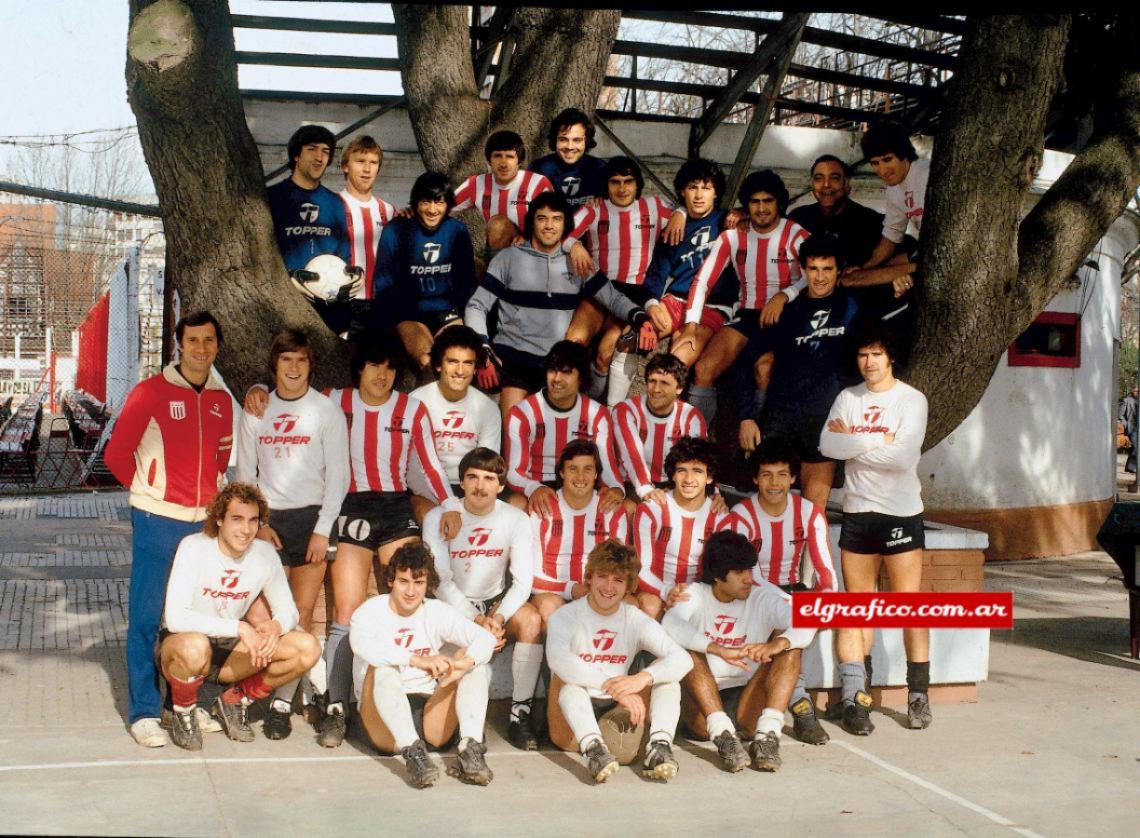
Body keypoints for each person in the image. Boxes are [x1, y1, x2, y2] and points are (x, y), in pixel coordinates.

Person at [316, 340, 458, 748]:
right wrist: (259, 394)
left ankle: (417, 694)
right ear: (358, 369)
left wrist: (448, 504)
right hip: (352, 506)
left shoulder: (410, 409)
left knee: (413, 595)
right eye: (374, 365)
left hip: (395, 506)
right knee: (345, 609)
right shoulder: (333, 400)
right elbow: (291, 400)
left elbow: (429, 462)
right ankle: (336, 707)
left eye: (390, 368)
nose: (382, 375)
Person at [104, 311, 234, 748]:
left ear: (217, 346)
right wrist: (150, 490)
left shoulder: (221, 397)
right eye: (193, 340)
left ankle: (180, 702)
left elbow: (221, 456)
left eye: (209, 341)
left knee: (187, 619)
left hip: (202, 524)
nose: (201, 349)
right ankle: (143, 710)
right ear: (179, 345)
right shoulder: (151, 392)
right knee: (146, 616)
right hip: (157, 519)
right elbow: (117, 455)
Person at [234, 329, 349, 739]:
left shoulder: (325, 411)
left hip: (312, 520)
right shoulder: (256, 408)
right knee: (270, 618)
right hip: (269, 524)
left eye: (301, 360)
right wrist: (259, 523)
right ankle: (294, 691)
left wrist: (322, 530)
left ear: (310, 364)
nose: (294, 368)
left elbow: (338, 476)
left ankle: (281, 705)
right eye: (286, 360)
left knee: (300, 615)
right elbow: (246, 473)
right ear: (274, 365)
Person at [819, 323, 931, 734]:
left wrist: (857, 442)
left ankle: (918, 695)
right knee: (857, 608)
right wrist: (878, 440)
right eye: (863, 354)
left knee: (909, 606)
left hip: (901, 513)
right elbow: (828, 446)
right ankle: (857, 698)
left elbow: (904, 457)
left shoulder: (911, 399)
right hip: (859, 513)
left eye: (877, 355)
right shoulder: (848, 398)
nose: (869, 362)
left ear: (892, 357)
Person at [465, 191, 653, 422]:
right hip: (514, 359)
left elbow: (613, 298)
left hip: (556, 363)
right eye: (542, 218)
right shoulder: (508, 258)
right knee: (514, 433)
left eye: (556, 219)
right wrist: (483, 348)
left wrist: (641, 319)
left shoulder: (577, 263)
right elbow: (476, 306)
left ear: (566, 225)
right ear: (532, 223)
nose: (549, 226)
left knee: (556, 435)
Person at [159, 483, 321, 750]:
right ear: (219, 518)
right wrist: (240, 628)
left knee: (306, 648)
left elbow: (289, 610)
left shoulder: (265, 554)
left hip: (229, 649)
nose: (245, 529)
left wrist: (274, 626)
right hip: (184, 646)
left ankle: (235, 700)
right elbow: (176, 618)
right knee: (194, 645)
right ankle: (181, 711)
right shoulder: (194, 547)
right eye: (236, 519)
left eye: (253, 521)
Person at [663, 530, 816, 772]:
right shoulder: (695, 594)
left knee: (791, 647)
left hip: (747, 699)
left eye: (749, 570)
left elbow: (807, 620)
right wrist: (717, 649)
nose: (747, 578)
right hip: (703, 704)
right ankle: (723, 735)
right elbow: (670, 623)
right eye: (738, 572)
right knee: (686, 651)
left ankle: (767, 736)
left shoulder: (762, 596)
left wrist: (778, 643)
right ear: (717, 575)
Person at [422, 448, 544, 750]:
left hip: (494, 605)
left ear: (501, 486)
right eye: (472, 477)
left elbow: (523, 581)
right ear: (461, 483)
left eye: (489, 478)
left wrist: (498, 617)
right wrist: (476, 621)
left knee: (530, 620)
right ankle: (461, 724)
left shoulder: (515, 518)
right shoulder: (438, 517)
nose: (480, 485)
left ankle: (520, 715)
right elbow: (439, 582)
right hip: (452, 607)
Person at [349, 542, 497, 787]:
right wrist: (417, 659)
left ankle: (470, 749)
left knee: (474, 662)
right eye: (403, 581)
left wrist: (463, 664)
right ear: (390, 581)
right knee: (383, 667)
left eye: (418, 583)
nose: (411, 591)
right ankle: (413, 755)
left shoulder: (436, 611)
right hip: (382, 718)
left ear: (427, 585)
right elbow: (363, 646)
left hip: (428, 712)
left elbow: (485, 639)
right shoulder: (370, 611)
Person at [546, 540, 693, 782]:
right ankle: (593, 750)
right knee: (568, 679)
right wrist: (612, 687)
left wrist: (643, 678)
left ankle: (659, 746)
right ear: (589, 578)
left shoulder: (634, 618)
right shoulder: (566, 616)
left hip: (614, 710)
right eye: (602, 576)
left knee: (666, 675)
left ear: (628, 587)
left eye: (618, 580)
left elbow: (683, 659)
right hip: (570, 718)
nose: (608, 587)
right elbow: (558, 659)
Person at [722, 438, 835, 745]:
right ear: (756, 478)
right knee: (788, 622)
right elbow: (751, 578)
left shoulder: (810, 513)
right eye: (767, 475)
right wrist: (795, 609)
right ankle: (802, 710)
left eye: (782, 474)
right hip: (753, 595)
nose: (775, 483)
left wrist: (818, 602)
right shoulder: (741, 517)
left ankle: (804, 706)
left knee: (820, 613)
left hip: (793, 592)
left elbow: (826, 572)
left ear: (793, 478)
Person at [737, 235, 861, 512]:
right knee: (768, 508)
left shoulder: (853, 309)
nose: (819, 277)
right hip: (781, 417)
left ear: (839, 269)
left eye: (827, 269)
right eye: (813, 269)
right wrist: (747, 416)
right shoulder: (787, 311)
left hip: (824, 419)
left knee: (814, 513)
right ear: (803, 270)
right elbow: (747, 363)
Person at [680, 170, 809, 426]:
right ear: (746, 205)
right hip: (747, 315)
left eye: (768, 201)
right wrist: (691, 327)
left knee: (764, 370)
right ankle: (697, 442)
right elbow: (702, 281)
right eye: (755, 202)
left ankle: (759, 441)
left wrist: (785, 295)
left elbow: (814, 275)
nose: (761, 209)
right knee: (704, 369)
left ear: (779, 203)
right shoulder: (732, 237)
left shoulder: (795, 233)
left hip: (787, 315)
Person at [562, 156, 686, 403]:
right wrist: (574, 244)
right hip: (599, 289)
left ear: (637, 184)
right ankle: (569, 404)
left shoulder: (654, 206)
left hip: (634, 293)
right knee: (572, 344)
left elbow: (688, 211)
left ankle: (593, 405)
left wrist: (680, 212)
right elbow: (563, 233)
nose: (621, 188)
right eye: (615, 182)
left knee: (605, 352)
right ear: (606, 185)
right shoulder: (594, 209)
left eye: (628, 182)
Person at [788, 154, 915, 326]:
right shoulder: (799, 218)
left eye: (834, 178)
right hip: (807, 308)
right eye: (819, 178)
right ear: (812, 185)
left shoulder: (870, 221)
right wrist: (742, 215)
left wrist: (893, 273)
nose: (826, 185)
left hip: (857, 315)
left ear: (847, 185)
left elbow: (913, 253)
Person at [504, 340, 625, 516]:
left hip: (581, 485)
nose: (557, 379)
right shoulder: (522, 413)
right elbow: (514, 471)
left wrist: (616, 489)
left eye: (566, 372)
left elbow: (607, 467)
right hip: (539, 484)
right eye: (553, 370)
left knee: (621, 506)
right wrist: (534, 488)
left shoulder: (597, 414)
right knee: (515, 504)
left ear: (581, 377)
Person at [373, 173, 476, 376]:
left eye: (439, 202)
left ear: (447, 205)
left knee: (456, 360)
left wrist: (462, 314)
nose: (432, 209)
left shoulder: (457, 231)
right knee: (427, 360)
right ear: (415, 203)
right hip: (409, 313)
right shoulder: (396, 230)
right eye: (425, 202)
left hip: (445, 309)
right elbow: (384, 283)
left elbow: (466, 281)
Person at [643, 158, 741, 366]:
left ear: (716, 193)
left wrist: (743, 214)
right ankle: (615, 400)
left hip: (712, 304)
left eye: (706, 188)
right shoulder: (674, 227)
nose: (698, 195)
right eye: (692, 188)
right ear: (682, 192)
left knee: (679, 359)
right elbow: (657, 273)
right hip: (676, 301)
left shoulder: (729, 222)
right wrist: (651, 305)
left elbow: (768, 216)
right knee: (632, 338)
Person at [265, 124, 354, 332]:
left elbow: (344, 255)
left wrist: (349, 276)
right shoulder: (273, 198)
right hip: (285, 303)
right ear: (296, 155)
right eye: (312, 149)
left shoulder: (335, 203)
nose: (319, 157)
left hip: (327, 305)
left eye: (325, 151)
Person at [530, 440, 630, 624]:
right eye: (573, 469)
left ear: (597, 474)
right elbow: (531, 576)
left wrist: (595, 591)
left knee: (629, 606)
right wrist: (572, 589)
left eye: (588, 469)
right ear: (561, 472)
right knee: (549, 607)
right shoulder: (542, 508)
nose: (581, 477)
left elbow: (620, 569)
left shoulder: (612, 510)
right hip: (555, 592)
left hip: (600, 592)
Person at [408, 326, 502, 521]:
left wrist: (464, 502)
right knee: (428, 514)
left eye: (467, 363)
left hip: (469, 487)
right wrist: (445, 500)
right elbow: (412, 468)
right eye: (452, 362)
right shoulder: (415, 402)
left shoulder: (487, 408)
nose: (460, 371)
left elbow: (485, 466)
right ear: (439, 365)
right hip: (425, 487)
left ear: (476, 368)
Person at [633, 437, 728, 620]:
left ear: (709, 477)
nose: (689, 479)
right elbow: (640, 569)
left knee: (796, 630)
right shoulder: (652, 509)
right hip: (658, 591)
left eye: (697, 471)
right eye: (682, 470)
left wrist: (695, 593)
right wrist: (669, 592)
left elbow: (737, 574)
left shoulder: (724, 517)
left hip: (794, 592)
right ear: (673, 475)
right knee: (651, 607)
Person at [612, 354, 706, 504]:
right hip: (632, 483)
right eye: (652, 381)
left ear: (679, 388)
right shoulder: (626, 410)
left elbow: (700, 461)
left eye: (664, 383)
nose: (656, 389)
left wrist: (713, 492)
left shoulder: (691, 416)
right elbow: (632, 456)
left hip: (674, 485)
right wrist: (646, 490)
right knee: (630, 510)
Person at [453, 129, 553, 251]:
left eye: (510, 157)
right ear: (489, 160)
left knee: (498, 224)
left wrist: (530, 238)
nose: (504, 163)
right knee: (468, 261)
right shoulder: (476, 184)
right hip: (499, 254)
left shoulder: (537, 183)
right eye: (498, 156)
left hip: (535, 250)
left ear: (519, 161)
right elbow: (442, 208)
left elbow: (554, 221)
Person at [338, 135, 396, 340]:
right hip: (345, 304)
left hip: (381, 303)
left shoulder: (388, 211)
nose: (367, 169)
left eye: (373, 163)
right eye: (360, 161)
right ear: (345, 166)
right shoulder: (334, 204)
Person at [859, 120, 929, 270]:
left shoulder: (927, 174)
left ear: (903, 154)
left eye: (887, 159)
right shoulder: (894, 188)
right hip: (926, 252)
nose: (883, 171)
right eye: (875, 163)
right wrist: (866, 267)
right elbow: (892, 234)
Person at [529, 107, 608, 209]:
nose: (570, 147)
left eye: (577, 140)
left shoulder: (601, 169)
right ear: (555, 140)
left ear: (587, 141)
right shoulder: (538, 169)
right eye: (563, 139)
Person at [1121, 386, 1138, 474]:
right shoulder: (1126, 400)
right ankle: (1131, 467)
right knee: (1136, 447)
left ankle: (1128, 467)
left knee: (1134, 448)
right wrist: (1126, 425)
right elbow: (1121, 416)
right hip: (1132, 428)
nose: (1137, 393)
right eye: (1135, 391)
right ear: (1132, 391)